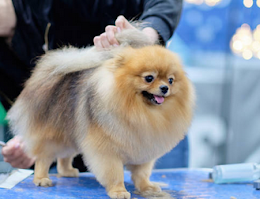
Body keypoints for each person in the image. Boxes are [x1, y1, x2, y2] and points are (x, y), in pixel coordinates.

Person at [0, 0, 188, 170]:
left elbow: (165, 4)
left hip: (149, 124)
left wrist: (147, 38)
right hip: (73, 146)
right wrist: (33, 137)